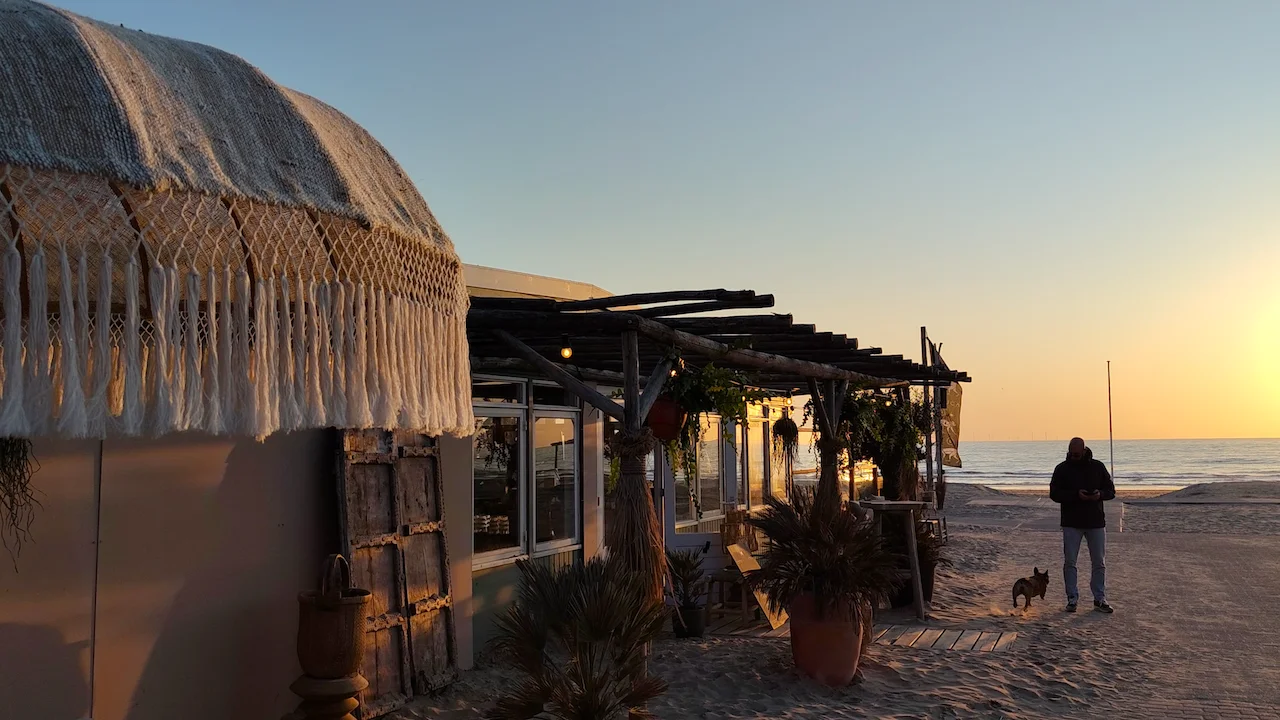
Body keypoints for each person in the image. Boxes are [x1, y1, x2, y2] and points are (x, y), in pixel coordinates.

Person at [1049, 437, 1116, 613]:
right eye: (1071, 454)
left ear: (1084, 451)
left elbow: (1111, 491)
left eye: (1077, 454)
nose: (1074, 457)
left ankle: (1099, 598)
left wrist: (1099, 495)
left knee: (1099, 562)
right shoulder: (1062, 469)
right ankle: (1072, 598)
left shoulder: (1097, 467)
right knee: (1070, 562)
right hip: (1071, 522)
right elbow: (1054, 494)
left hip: (1096, 522)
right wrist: (1075, 495)